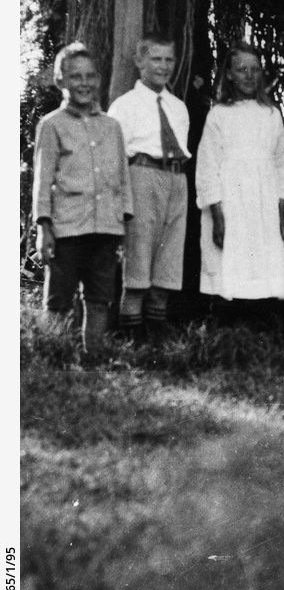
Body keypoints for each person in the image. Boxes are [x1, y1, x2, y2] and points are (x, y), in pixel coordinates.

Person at [32, 43, 132, 357]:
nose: (84, 83)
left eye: (90, 76)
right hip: (67, 228)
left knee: (100, 298)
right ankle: (52, 358)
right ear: (60, 81)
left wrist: (123, 223)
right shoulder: (52, 125)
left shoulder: (112, 126)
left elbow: (123, 178)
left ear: (99, 80)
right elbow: (42, 179)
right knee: (59, 300)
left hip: (106, 228)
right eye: (75, 77)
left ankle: (93, 361)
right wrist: (43, 227)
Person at [195, 43, 284, 304]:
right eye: (242, 70)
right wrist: (217, 216)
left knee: (263, 266)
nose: (249, 76)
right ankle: (228, 332)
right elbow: (207, 167)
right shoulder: (218, 115)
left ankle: (260, 332)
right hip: (230, 203)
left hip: (264, 203)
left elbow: (281, 165)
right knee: (231, 265)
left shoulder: (272, 115)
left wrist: (280, 212)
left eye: (255, 69)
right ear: (229, 74)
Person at [108, 32, 190, 338]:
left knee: (169, 258)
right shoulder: (124, 106)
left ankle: (157, 331)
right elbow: (116, 158)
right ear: (140, 61)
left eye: (169, 59)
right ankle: (131, 335)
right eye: (156, 58)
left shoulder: (178, 107)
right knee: (139, 255)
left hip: (177, 179)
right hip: (142, 176)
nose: (164, 65)